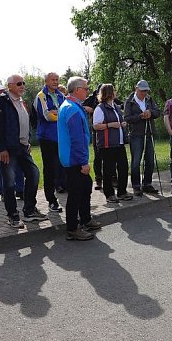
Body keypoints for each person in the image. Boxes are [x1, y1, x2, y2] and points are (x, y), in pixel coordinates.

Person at [0, 74, 49, 228]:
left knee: (33, 173)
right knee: (9, 183)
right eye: (19, 83)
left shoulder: (22, 101)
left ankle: (29, 211)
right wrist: (1, 149)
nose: (22, 86)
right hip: (8, 149)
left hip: (23, 147)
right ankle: (13, 216)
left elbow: (25, 122)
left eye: (23, 83)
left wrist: (28, 140)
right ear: (9, 86)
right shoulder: (2, 101)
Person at [58, 76, 101, 240]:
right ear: (77, 90)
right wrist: (83, 162)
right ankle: (72, 229)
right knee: (76, 193)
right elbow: (77, 139)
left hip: (71, 157)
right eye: (86, 89)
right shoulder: (73, 109)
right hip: (74, 159)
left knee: (85, 186)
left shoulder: (69, 106)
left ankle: (86, 219)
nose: (88, 92)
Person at [93, 83, 133, 203]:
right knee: (108, 170)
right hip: (107, 144)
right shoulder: (100, 108)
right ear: (109, 93)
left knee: (123, 167)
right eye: (113, 90)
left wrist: (122, 124)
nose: (115, 92)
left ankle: (122, 192)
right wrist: (109, 125)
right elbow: (95, 126)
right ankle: (109, 194)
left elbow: (119, 121)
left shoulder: (115, 106)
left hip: (119, 143)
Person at [0, 85, 25, 198]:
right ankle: (4, 194)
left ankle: (20, 190)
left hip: (15, 144)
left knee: (18, 169)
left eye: (2, 92)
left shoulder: (15, 105)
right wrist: (0, 137)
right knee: (2, 171)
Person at [33, 72, 65, 212]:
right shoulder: (41, 96)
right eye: (53, 80)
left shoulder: (61, 95)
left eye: (57, 80)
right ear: (46, 81)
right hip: (47, 138)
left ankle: (63, 189)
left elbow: (65, 112)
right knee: (50, 169)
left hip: (60, 137)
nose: (56, 82)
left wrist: (57, 112)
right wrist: (60, 114)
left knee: (62, 166)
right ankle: (51, 200)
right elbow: (47, 115)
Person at [124, 79, 162, 196]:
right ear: (136, 89)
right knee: (136, 161)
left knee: (150, 160)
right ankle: (136, 185)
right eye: (142, 91)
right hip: (136, 135)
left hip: (149, 133)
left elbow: (157, 112)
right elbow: (127, 118)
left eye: (146, 91)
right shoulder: (129, 101)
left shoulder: (149, 99)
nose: (144, 93)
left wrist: (150, 112)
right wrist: (140, 116)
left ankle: (147, 184)